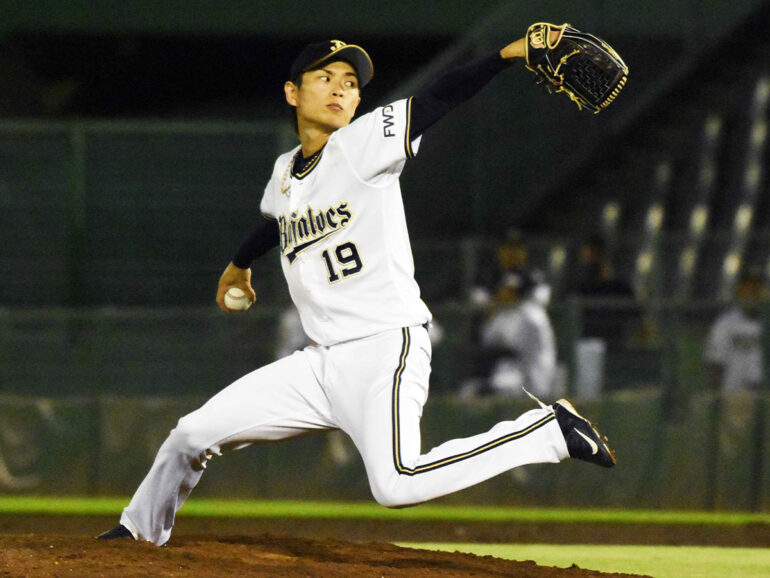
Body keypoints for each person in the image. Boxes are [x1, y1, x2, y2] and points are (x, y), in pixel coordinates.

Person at [98, 32, 616, 545]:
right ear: (292, 93)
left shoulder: (364, 143)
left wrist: (507, 56)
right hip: (320, 363)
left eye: (349, 82)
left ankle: (547, 432)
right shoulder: (285, 171)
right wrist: (239, 265)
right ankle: (138, 531)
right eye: (324, 78)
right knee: (191, 433)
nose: (340, 89)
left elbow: (439, 97)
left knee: (395, 484)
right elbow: (276, 219)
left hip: (384, 347)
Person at [473, 270, 561, 399]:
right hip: (519, 368)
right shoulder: (506, 312)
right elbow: (488, 339)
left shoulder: (531, 314)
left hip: (536, 368)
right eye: (503, 290)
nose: (503, 294)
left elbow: (513, 344)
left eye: (509, 291)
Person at [703, 269, 767, 395]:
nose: (752, 294)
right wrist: (715, 395)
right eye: (747, 289)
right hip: (735, 394)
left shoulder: (766, 324)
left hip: (764, 394)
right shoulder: (726, 323)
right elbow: (715, 362)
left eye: (757, 289)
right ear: (739, 292)